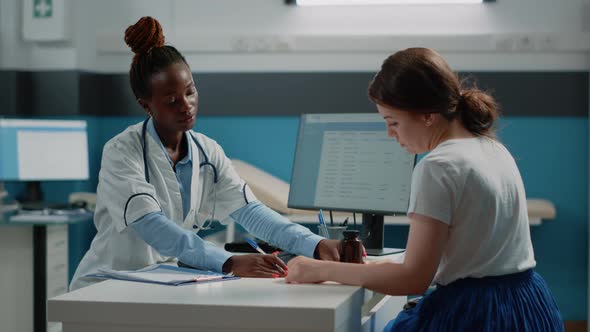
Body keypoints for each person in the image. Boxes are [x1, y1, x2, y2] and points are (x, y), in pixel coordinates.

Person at [284, 48, 563, 331]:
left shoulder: (439, 166)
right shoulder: (492, 148)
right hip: (526, 303)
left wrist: (320, 269)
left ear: (428, 115)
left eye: (393, 122)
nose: (390, 134)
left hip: (476, 314)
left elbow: (413, 279)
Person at [70, 16, 340, 291]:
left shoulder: (207, 151)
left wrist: (315, 244)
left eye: (190, 92)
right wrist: (228, 262)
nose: (186, 105)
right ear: (146, 105)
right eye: (172, 100)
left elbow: (249, 211)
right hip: (110, 285)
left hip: (164, 283)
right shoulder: (122, 151)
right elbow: (152, 226)